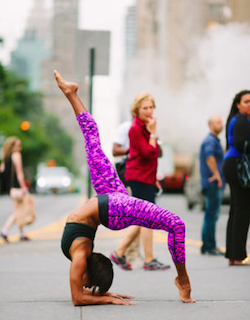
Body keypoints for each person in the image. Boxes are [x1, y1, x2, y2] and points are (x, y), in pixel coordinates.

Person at [54, 70, 195, 305]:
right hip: (113, 203)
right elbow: (79, 296)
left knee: (92, 138)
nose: (83, 284)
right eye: (90, 285)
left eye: (89, 285)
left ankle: (71, 93)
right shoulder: (80, 253)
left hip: (111, 202)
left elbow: (77, 298)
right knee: (176, 225)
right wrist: (106, 296)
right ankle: (183, 281)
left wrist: (103, 296)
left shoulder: (79, 256)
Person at [111, 92, 169, 271]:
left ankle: (119, 253)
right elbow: (149, 153)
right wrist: (153, 134)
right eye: (145, 108)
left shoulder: (145, 127)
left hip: (146, 177)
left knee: (142, 218)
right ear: (137, 110)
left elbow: (157, 154)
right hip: (139, 177)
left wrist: (152, 134)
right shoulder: (136, 129)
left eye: (151, 107)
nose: (149, 111)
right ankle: (148, 259)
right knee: (147, 218)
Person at [223, 90, 250, 266]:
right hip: (237, 165)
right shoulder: (241, 120)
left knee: (237, 210)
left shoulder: (236, 119)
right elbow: (242, 144)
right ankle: (238, 256)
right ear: (238, 104)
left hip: (232, 164)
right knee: (242, 210)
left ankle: (233, 255)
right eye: (247, 101)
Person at [199, 116, 225, 256]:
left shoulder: (214, 140)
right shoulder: (210, 141)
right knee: (212, 214)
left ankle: (207, 245)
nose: (221, 125)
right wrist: (217, 175)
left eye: (221, 122)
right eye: (217, 122)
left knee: (211, 214)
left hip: (211, 182)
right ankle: (209, 246)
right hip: (212, 183)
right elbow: (210, 158)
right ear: (210, 125)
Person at [0, 137, 29, 242]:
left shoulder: (6, 158)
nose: (20, 147)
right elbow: (19, 172)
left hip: (10, 189)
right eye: (18, 145)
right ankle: (4, 230)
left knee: (18, 209)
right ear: (12, 147)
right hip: (17, 188)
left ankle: (22, 233)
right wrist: (23, 187)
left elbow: (2, 171)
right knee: (18, 211)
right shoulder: (16, 155)